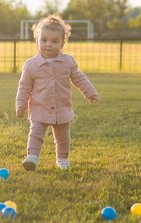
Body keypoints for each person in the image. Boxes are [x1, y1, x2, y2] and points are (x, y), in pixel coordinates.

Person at [15, 14, 99, 171]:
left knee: (62, 138)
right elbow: (24, 87)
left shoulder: (68, 62)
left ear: (62, 43)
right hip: (39, 109)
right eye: (44, 40)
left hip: (62, 109)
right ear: (37, 40)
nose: (48, 44)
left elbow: (79, 79)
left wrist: (90, 93)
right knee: (35, 134)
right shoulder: (31, 65)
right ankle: (32, 157)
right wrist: (20, 105)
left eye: (54, 41)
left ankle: (62, 159)